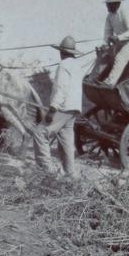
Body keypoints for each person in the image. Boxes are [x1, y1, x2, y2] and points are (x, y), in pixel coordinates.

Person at [33, 36, 84, 178]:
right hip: (74, 109)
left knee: (39, 133)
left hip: (62, 108)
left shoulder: (63, 66)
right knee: (66, 140)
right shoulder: (77, 66)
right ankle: (70, 173)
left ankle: (46, 171)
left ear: (62, 52)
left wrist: (52, 109)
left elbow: (61, 89)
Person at [101, 0, 129, 88]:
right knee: (104, 54)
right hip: (119, 41)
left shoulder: (125, 12)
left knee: (120, 58)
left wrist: (118, 37)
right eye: (107, 4)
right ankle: (95, 78)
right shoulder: (109, 16)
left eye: (109, 4)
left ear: (117, 4)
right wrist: (106, 44)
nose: (107, 6)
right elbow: (107, 32)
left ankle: (110, 83)